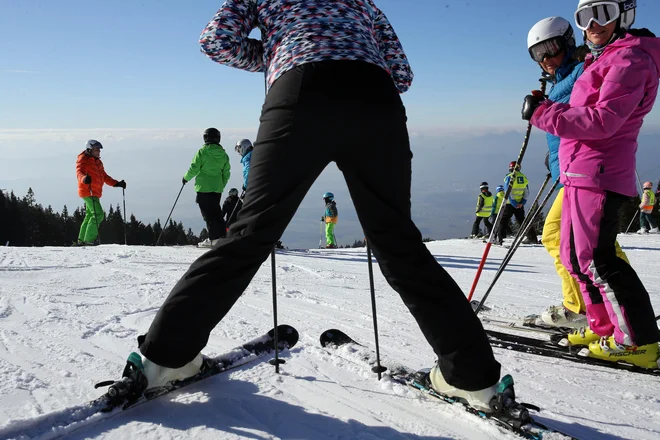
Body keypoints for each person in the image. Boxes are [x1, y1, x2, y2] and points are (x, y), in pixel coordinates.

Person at [121, 0, 504, 412]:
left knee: (249, 236)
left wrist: (274, 53)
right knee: (399, 243)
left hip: (300, 92)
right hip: (377, 100)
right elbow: (403, 75)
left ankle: (164, 359)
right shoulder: (361, 3)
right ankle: (473, 378)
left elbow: (216, 41)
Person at [522, 0, 660, 367]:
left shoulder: (630, 59)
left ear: (624, 13)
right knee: (573, 256)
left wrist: (542, 112)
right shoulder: (605, 57)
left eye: (605, 12)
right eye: (586, 16)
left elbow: (602, 121)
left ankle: (638, 341)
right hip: (580, 171)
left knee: (598, 259)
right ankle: (604, 325)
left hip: (599, 173)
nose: (595, 23)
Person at [182, 128, 231, 248]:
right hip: (217, 188)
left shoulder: (202, 152)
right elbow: (226, 173)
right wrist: (221, 185)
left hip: (203, 188)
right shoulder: (223, 154)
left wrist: (186, 178)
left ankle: (214, 239)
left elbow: (194, 167)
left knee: (208, 215)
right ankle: (222, 237)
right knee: (216, 213)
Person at [74, 140, 125, 246]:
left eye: (99, 150)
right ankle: (89, 240)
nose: (98, 152)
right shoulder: (83, 160)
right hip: (88, 191)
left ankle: (82, 240)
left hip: (94, 192)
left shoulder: (98, 162)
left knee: (89, 216)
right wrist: (84, 179)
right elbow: (79, 173)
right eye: (96, 150)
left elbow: (104, 176)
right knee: (98, 214)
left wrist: (116, 183)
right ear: (89, 150)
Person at [496, 161, 539, 245]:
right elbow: (526, 192)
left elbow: (508, 191)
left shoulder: (509, 177)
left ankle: (499, 238)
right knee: (522, 221)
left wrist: (513, 203)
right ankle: (532, 238)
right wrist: (522, 202)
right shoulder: (523, 177)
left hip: (510, 203)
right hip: (520, 204)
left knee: (503, 221)